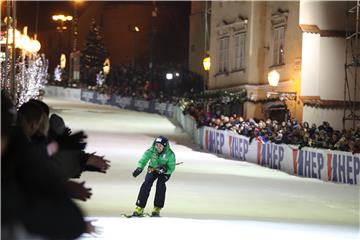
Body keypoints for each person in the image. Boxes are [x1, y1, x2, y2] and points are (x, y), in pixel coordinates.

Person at [132, 136, 176, 217]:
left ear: (165, 146)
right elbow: (143, 160)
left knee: (160, 185)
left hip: (164, 173)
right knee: (146, 184)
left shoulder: (170, 154)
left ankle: (157, 208)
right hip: (153, 169)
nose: (158, 147)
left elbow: (172, 168)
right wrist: (139, 168)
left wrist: (165, 170)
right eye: (157, 145)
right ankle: (139, 207)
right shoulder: (151, 150)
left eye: (160, 146)